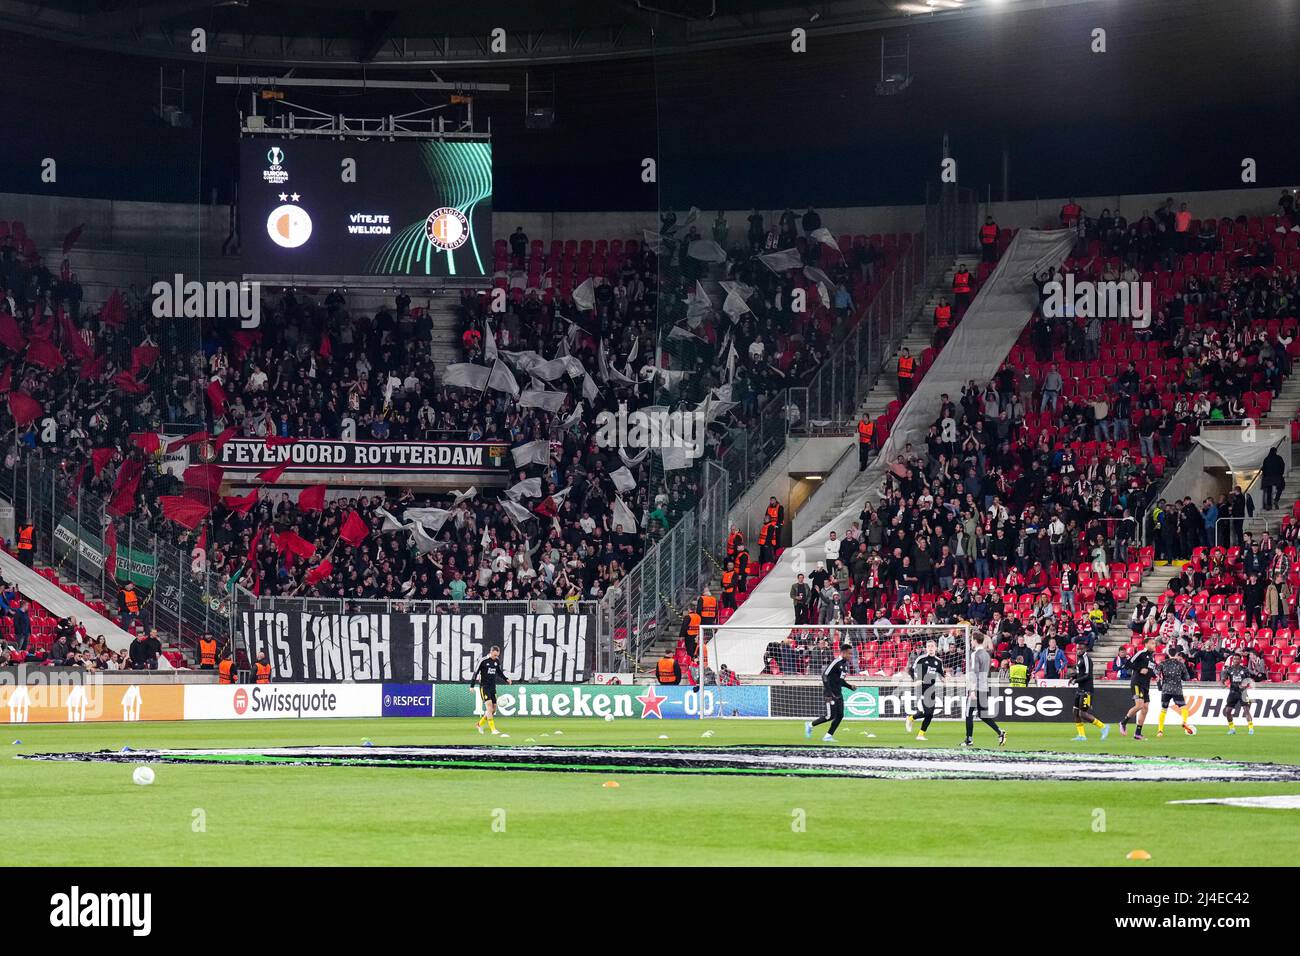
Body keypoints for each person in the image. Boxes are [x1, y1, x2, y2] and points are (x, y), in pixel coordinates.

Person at [805, 642, 857, 743]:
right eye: (850, 654)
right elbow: (824, 676)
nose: (851, 656)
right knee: (830, 716)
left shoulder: (845, 665)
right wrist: (828, 693)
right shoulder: (836, 662)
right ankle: (810, 725)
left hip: (838, 693)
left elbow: (840, 681)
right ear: (843, 653)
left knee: (840, 715)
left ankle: (828, 736)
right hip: (830, 693)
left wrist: (850, 686)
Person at [963, 632, 1006, 748]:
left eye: (972, 640)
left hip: (976, 688)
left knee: (968, 714)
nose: (971, 642)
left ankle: (969, 740)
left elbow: (974, 673)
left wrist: (972, 690)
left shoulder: (975, 654)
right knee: (983, 715)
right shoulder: (987, 655)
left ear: (975, 641)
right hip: (984, 687)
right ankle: (1000, 732)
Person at [905, 639, 944, 741]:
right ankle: (912, 721)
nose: (930, 648)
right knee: (928, 712)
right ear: (926, 648)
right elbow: (910, 670)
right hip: (922, 688)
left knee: (929, 714)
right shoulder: (921, 659)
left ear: (936, 648)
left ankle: (918, 730)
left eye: (932, 646)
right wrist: (916, 680)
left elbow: (941, 674)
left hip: (931, 689)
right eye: (928, 646)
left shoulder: (938, 662)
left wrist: (943, 679)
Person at [1154, 647, 1196, 737]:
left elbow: (1156, 674)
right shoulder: (1180, 664)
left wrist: (1159, 686)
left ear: (1168, 654)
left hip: (1166, 689)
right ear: (1176, 654)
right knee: (1183, 707)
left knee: (1164, 710)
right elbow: (1187, 678)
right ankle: (1184, 722)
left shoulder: (1162, 663)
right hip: (1177, 689)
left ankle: (1160, 731)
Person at [1069, 646, 1109, 741]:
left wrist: (1076, 680)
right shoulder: (1080, 659)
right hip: (1080, 690)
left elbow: (1087, 675)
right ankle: (1082, 735)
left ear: (1084, 650)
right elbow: (1080, 673)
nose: (1078, 651)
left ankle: (1103, 727)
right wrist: (1073, 677)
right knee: (1075, 712)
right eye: (1077, 649)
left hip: (1087, 690)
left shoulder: (1087, 659)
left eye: (1080, 649)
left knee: (1082, 714)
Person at [1120, 636, 1156, 740]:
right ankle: (1123, 723)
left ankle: (1137, 733)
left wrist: (1155, 676)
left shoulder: (1152, 657)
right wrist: (1139, 669)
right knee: (1139, 705)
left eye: (1155, 643)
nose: (1154, 645)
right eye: (1152, 643)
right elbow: (1128, 663)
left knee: (1145, 709)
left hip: (1146, 685)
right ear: (1146, 644)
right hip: (1137, 683)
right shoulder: (1141, 653)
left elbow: (1150, 670)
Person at [472, 645, 512, 736]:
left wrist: (506, 679)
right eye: (494, 655)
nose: (496, 657)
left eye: (497, 655)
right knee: (489, 708)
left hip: (492, 687)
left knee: (493, 710)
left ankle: (479, 724)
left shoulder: (496, 661)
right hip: (484, 687)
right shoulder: (483, 661)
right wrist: (472, 686)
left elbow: (499, 672)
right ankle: (493, 729)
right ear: (491, 652)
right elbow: (475, 672)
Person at [1222, 652, 1256, 736]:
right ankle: (1232, 728)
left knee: (1246, 710)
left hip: (1243, 693)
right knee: (1227, 711)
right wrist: (1224, 682)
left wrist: (1244, 685)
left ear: (1240, 660)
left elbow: (1249, 681)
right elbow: (1224, 679)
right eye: (1234, 659)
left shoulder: (1245, 669)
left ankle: (1251, 729)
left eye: (1237, 659)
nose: (1235, 660)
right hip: (1233, 692)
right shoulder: (1229, 669)